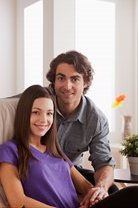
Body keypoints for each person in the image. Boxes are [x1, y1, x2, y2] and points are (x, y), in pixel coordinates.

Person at [0, 85, 138, 208]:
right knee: (133, 194)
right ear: (24, 114)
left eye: (49, 113)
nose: (44, 120)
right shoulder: (10, 150)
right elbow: (17, 201)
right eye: (36, 112)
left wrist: (95, 194)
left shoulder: (54, 150)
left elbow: (85, 186)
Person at [46, 50, 118, 195]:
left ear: (86, 82)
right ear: (53, 81)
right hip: (41, 170)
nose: (67, 86)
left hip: (72, 173)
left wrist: (101, 188)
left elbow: (103, 162)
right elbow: (9, 104)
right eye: (61, 78)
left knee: (112, 190)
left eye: (75, 79)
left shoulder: (96, 119)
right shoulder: (39, 100)